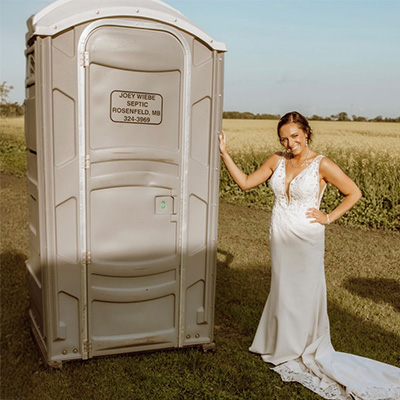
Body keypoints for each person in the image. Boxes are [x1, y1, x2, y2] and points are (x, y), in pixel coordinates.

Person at [219, 111, 400, 400]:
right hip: (280, 234)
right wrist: (225, 153)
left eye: (294, 136)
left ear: (306, 133)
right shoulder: (275, 160)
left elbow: (354, 192)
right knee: (282, 289)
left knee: (303, 292)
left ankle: (299, 347)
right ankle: (281, 344)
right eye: (283, 139)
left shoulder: (322, 163)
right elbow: (244, 183)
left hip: (307, 238)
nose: (289, 143)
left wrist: (328, 217)